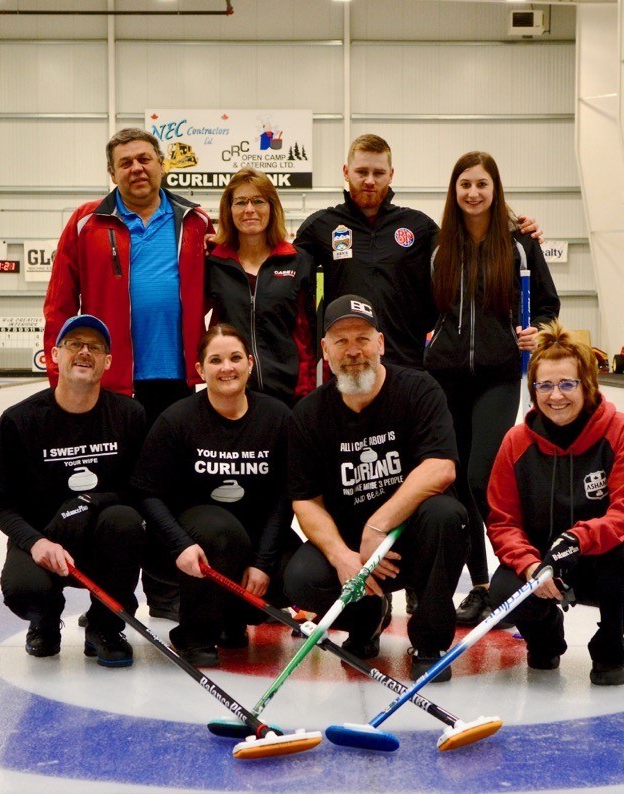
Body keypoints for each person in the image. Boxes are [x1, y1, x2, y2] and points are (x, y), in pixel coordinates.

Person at [43, 127, 213, 619]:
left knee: (168, 493)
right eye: (125, 163)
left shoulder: (195, 222)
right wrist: (62, 384)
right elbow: (58, 305)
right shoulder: (85, 223)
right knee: (112, 500)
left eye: (145, 159)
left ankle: (165, 591)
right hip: (110, 386)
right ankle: (108, 602)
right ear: (111, 173)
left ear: (162, 164)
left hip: (175, 381)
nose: (137, 169)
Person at [284, 294, 469, 683]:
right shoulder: (308, 414)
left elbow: (441, 467)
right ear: (325, 351)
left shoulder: (419, 390)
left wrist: (378, 526)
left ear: (381, 343)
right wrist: (340, 556)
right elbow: (306, 500)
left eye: (363, 338)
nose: (354, 351)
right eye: (341, 341)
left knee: (448, 516)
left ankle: (429, 643)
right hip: (353, 546)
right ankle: (367, 620)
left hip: (409, 537)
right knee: (302, 577)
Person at [424, 151, 560, 627]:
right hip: (445, 377)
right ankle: (480, 588)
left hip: (499, 375)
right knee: (455, 481)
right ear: (454, 190)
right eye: (465, 184)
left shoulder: (521, 243)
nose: (473, 193)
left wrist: (537, 331)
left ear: (495, 188)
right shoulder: (441, 246)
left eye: (482, 184)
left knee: (483, 477)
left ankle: (514, 567)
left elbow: (547, 304)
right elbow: (428, 309)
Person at [486, 320, 624, 685]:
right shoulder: (516, 442)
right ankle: (545, 639)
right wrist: (530, 566)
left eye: (567, 384)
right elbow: (502, 522)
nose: (555, 395)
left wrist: (578, 539)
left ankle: (609, 646)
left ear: (587, 385)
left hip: (599, 557)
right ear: (533, 390)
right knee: (502, 592)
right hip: (540, 562)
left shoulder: (622, 431)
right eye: (544, 385)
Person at [295, 134, 543, 371]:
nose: (370, 180)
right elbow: (284, 275)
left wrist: (515, 229)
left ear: (391, 175)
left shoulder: (417, 226)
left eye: (378, 172)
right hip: (348, 362)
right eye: (362, 172)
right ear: (346, 172)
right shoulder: (319, 227)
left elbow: (468, 246)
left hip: (406, 361)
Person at [131, 324, 298, 668]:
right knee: (221, 531)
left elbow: (284, 499)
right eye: (216, 360)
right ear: (200, 370)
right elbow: (147, 493)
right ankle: (194, 633)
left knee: (297, 573)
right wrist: (179, 544)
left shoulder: (277, 417)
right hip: (197, 541)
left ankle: (232, 619)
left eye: (236, 358)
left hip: (254, 541)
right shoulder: (176, 420)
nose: (227, 368)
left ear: (250, 363)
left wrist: (264, 564)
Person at [0, 315, 147, 667]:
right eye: (75, 344)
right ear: (55, 355)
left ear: (108, 362)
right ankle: (45, 620)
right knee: (25, 591)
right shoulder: (20, 419)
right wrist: (36, 542)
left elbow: (139, 491)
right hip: (44, 538)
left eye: (95, 347)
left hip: (101, 537)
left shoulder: (130, 415)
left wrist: (87, 503)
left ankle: (104, 627)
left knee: (126, 521)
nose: (84, 352)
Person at [206, 167, 316, 406]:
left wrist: (307, 387)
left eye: (258, 201)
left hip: (291, 396)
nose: (249, 210)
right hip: (232, 392)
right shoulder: (214, 263)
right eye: (240, 202)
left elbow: (310, 331)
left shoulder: (299, 261)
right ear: (229, 209)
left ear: (272, 207)